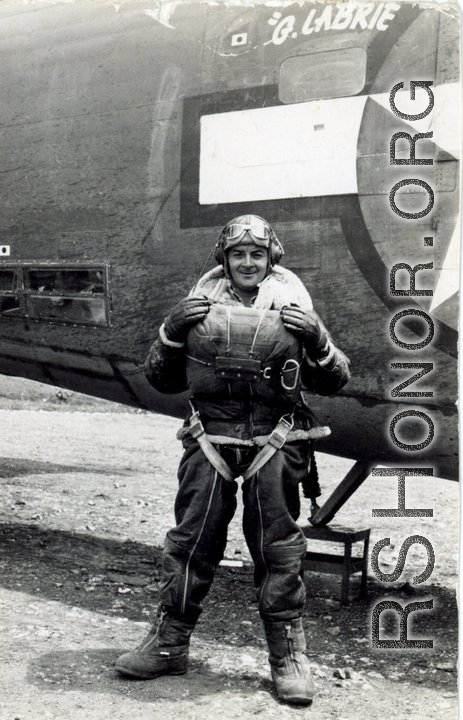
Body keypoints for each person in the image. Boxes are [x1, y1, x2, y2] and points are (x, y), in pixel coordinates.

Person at [115, 215, 350, 704]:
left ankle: (288, 655)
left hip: (275, 440)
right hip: (210, 439)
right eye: (238, 254)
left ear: (270, 260)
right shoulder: (199, 304)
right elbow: (161, 379)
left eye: (257, 255)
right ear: (225, 258)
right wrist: (171, 331)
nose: (247, 262)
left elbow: (334, 380)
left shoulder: (293, 306)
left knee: (279, 548)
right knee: (191, 539)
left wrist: (318, 339)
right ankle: (169, 643)